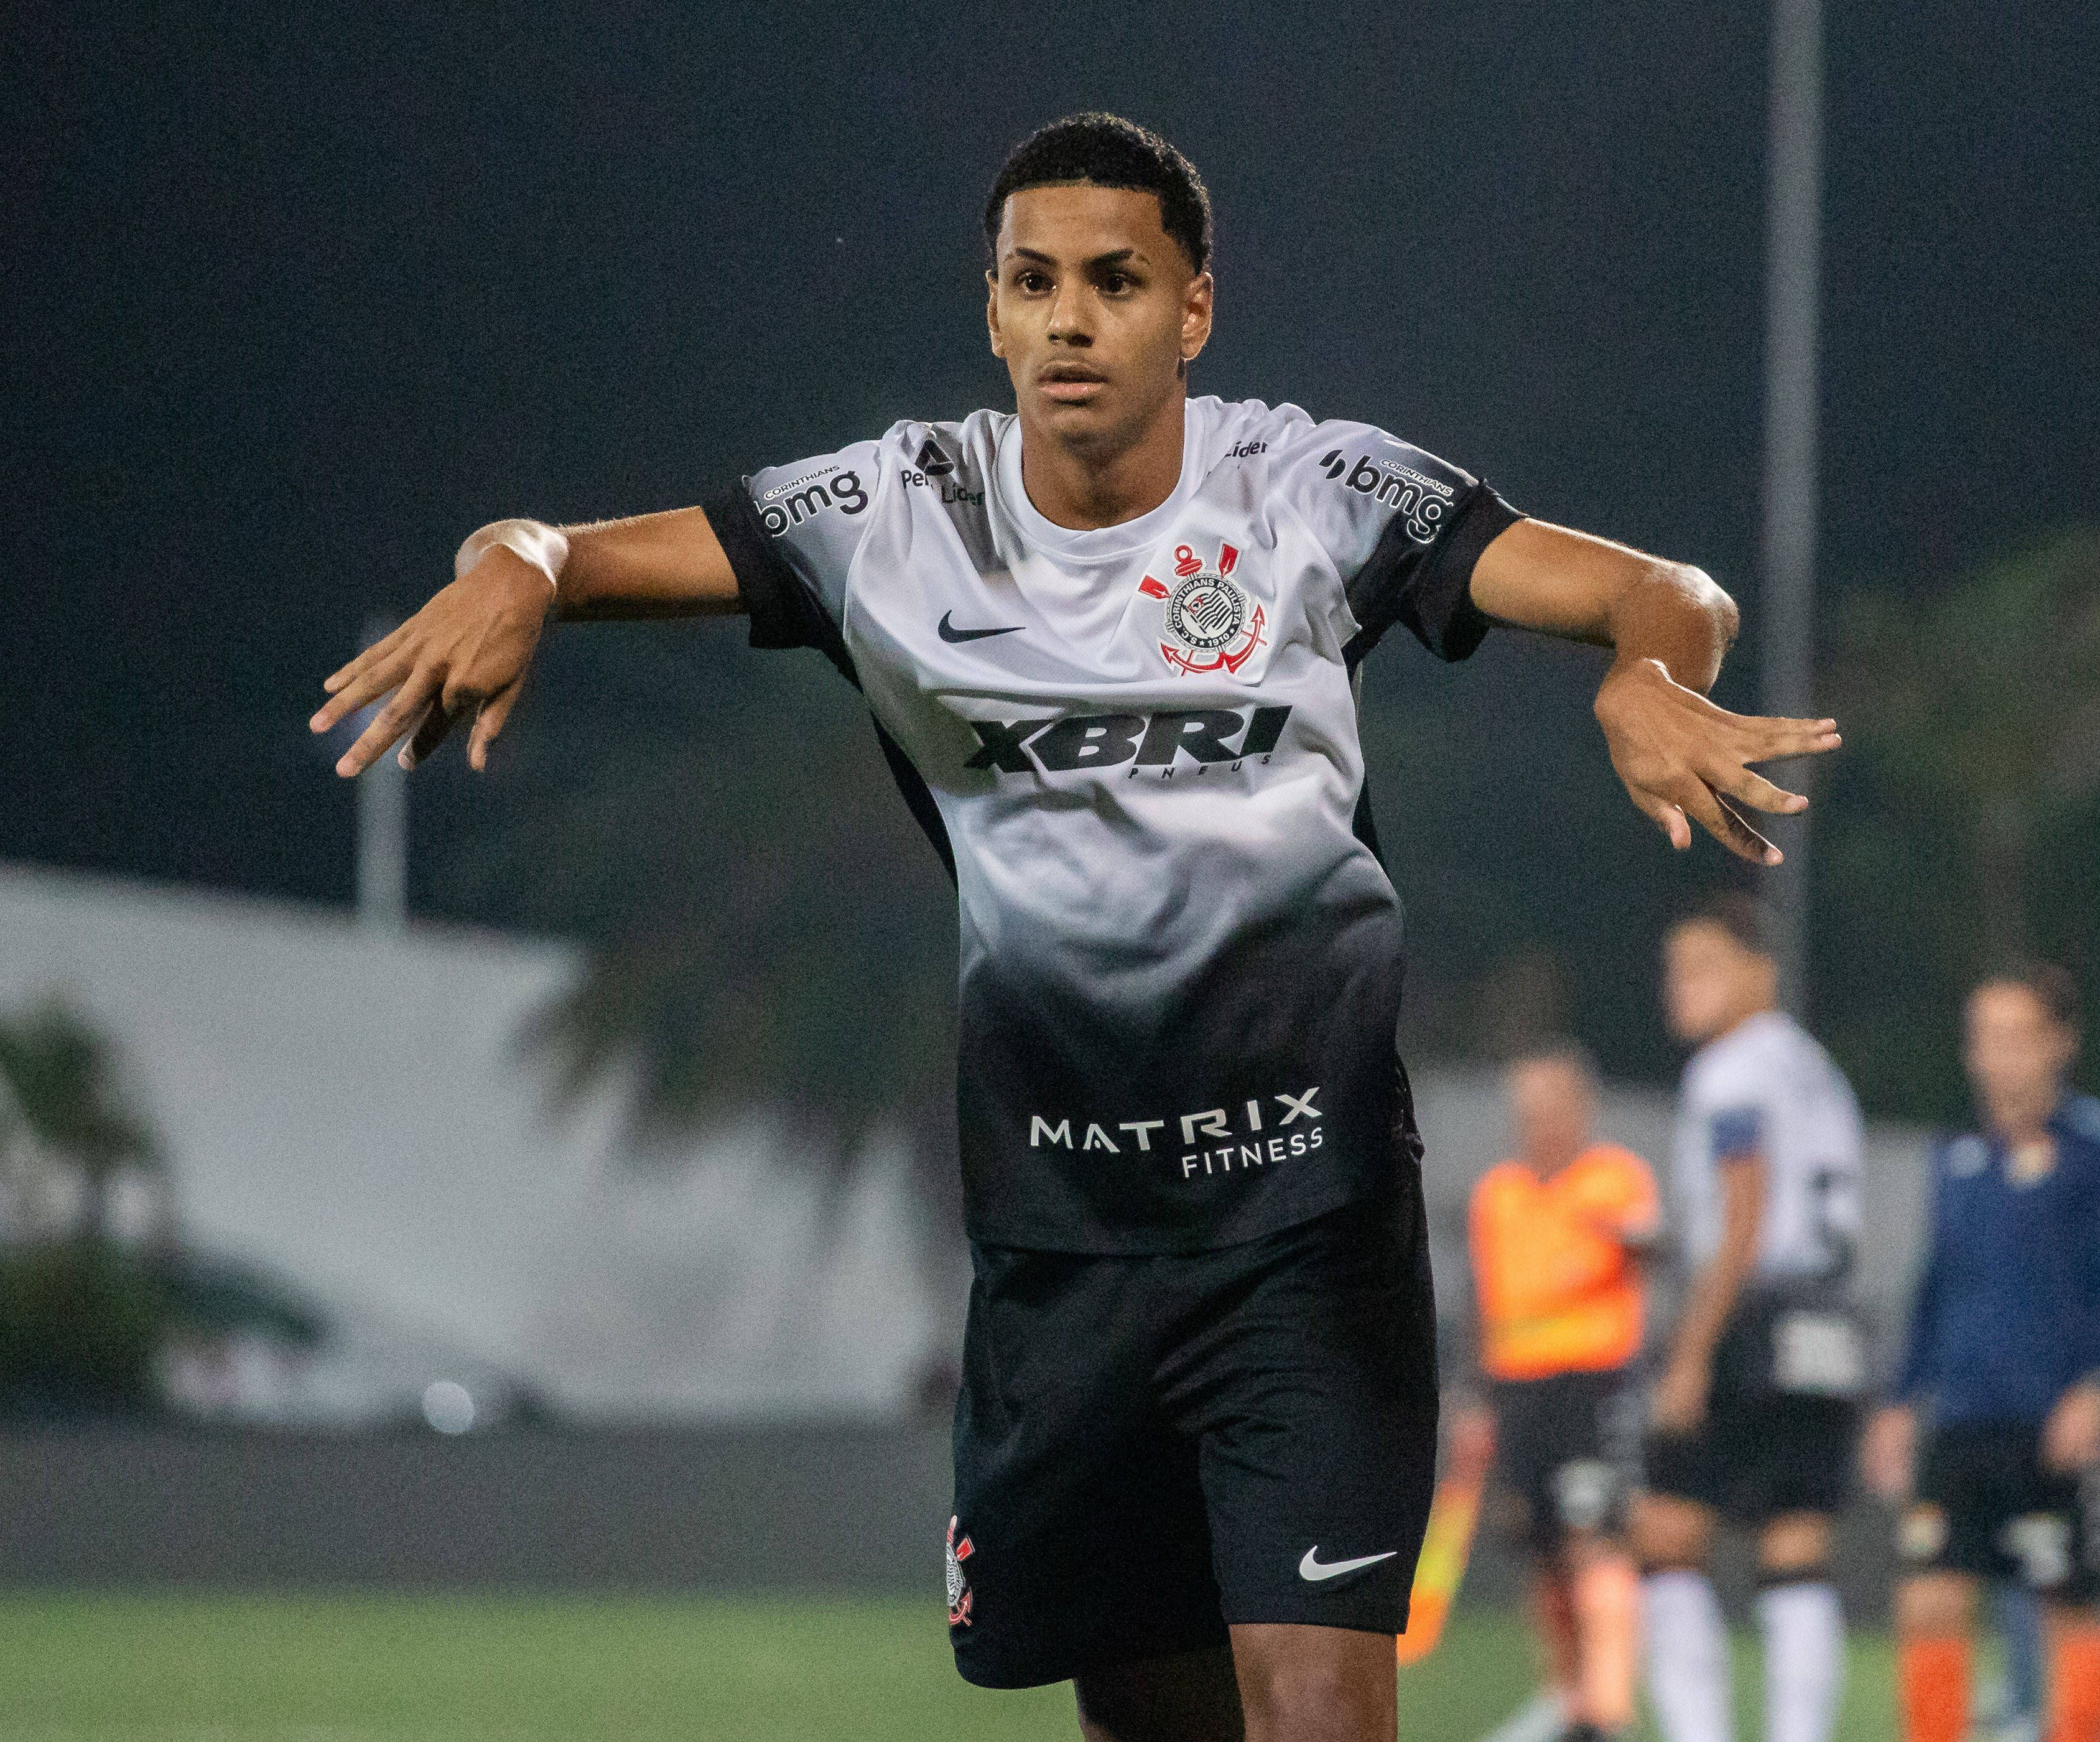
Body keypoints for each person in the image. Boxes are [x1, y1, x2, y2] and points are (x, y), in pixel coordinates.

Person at [305, 114, 1839, 1742]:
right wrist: (515, 568)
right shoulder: (892, 515)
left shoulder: (1307, 490)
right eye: (1033, 282)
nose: (1069, 318)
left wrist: (1646, 671)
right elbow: (568, 551)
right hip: (1065, 1258)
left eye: (1116, 281)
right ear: (990, 310)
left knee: (1319, 1703)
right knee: (1149, 1721)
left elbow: (1668, 584)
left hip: (1304, 1239)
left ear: (1194, 309)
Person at [1861, 964, 2100, 1742]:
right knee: (1927, 1597)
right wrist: (1897, 1401)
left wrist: (2097, 1385)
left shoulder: (2099, 1149)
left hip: (2052, 1421)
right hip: (1961, 1420)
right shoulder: (1954, 1151)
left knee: (2073, 1604)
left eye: (2020, 1038)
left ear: (2061, 1043)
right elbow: (1936, 1283)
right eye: (1987, 1038)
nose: (2002, 1057)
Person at [1633, 894, 1865, 1742]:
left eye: (1701, 968)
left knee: (1664, 1532)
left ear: (1759, 973)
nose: (1680, 988)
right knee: (1796, 1544)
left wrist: (1692, 1352)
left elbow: (1745, 1210)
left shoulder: (1728, 1069)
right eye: (1674, 970)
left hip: (1752, 1318)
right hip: (1830, 1321)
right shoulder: (1816, 1069)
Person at [1466, 1045, 1659, 1742]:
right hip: (1519, 1388)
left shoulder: (1612, 1180)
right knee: (1542, 1551)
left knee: (1596, 1541)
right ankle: (1564, 1698)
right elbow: (1485, 1303)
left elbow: (1651, 1245)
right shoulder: (1499, 1194)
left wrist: (1632, 1238)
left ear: (1581, 1111)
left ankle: (1607, 1710)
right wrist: (1478, 1399)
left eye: (1551, 1108)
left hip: (1592, 1382)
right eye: (1528, 1111)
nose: (1538, 1123)